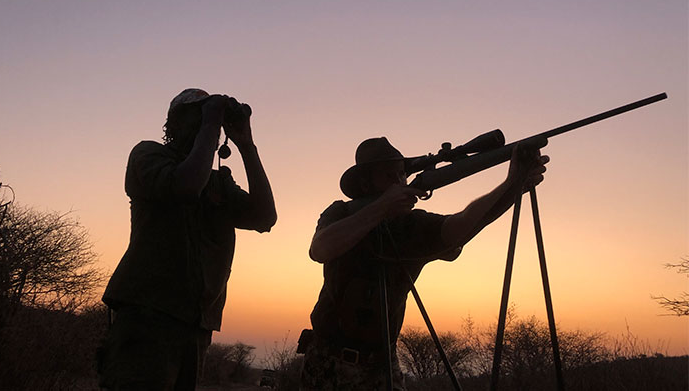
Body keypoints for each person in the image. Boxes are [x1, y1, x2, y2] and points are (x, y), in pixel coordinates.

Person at [300, 137, 549, 390]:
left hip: (382, 366)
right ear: (366, 184)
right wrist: (383, 207)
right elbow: (320, 249)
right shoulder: (341, 213)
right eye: (390, 177)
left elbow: (462, 226)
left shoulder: (412, 226)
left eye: (402, 176)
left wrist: (512, 185)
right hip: (327, 362)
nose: (400, 183)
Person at [99, 88, 277, 390]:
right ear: (173, 123)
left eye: (207, 119)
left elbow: (264, 217)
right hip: (147, 314)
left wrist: (246, 145)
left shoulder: (217, 181)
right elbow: (186, 186)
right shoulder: (148, 155)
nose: (203, 124)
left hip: (196, 324)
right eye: (195, 116)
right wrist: (210, 124)